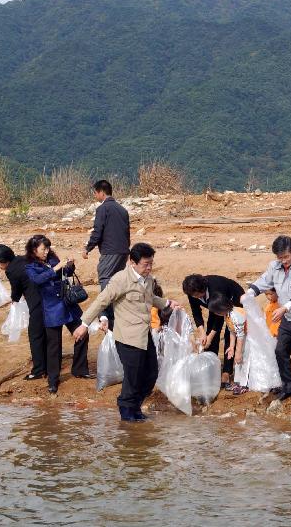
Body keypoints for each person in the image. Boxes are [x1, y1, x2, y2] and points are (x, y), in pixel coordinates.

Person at [73, 243, 180, 422]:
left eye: (151, 263)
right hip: (128, 337)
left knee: (151, 373)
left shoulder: (149, 279)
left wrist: (167, 303)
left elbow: (150, 298)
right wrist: (84, 324)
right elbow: (101, 301)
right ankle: (127, 412)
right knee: (133, 377)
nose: (149, 268)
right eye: (146, 264)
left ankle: (135, 406)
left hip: (144, 334)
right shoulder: (120, 279)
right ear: (132, 262)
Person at [245, 236, 291, 408]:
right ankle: (289, 385)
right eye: (280, 258)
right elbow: (264, 280)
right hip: (287, 320)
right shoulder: (274, 266)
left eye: (286, 257)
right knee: (280, 351)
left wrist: (285, 307)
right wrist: (250, 292)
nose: (283, 261)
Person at [25, 235, 89, 395]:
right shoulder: (30, 266)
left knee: (83, 332)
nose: (46, 251)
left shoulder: (53, 258)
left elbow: (65, 272)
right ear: (34, 250)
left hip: (67, 303)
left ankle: (79, 369)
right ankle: (53, 380)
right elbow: (38, 280)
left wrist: (70, 265)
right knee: (54, 345)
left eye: (47, 248)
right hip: (52, 307)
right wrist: (55, 268)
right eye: (43, 249)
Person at [0, 244, 45, 380]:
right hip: (47, 298)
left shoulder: (11, 270)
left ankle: (39, 370)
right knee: (47, 334)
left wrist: (14, 300)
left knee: (35, 336)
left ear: (2, 260)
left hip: (37, 302)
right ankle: (49, 365)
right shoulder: (22, 259)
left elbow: (16, 288)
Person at [83, 180, 131, 330]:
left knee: (105, 278)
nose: (95, 196)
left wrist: (87, 248)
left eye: (96, 193)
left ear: (101, 192)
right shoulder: (123, 210)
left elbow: (97, 232)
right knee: (117, 280)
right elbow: (127, 233)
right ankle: (117, 311)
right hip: (123, 251)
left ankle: (105, 315)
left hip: (110, 251)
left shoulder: (103, 209)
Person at [182, 274, 245, 388]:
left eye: (196, 295)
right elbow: (196, 312)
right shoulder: (192, 293)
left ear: (203, 289)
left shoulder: (215, 288)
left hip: (233, 300)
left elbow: (219, 318)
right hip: (214, 306)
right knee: (210, 330)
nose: (194, 297)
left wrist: (209, 337)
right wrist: (202, 333)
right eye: (192, 295)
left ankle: (227, 371)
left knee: (229, 334)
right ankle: (212, 366)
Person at [206, 294, 247, 394]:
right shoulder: (228, 314)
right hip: (242, 337)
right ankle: (239, 382)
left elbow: (240, 335)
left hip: (248, 338)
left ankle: (245, 384)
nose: (215, 314)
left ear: (221, 309)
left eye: (216, 311)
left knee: (245, 359)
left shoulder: (235, 315)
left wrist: (238, 352)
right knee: (238, 362)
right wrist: (232, 347)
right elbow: (232, 331)